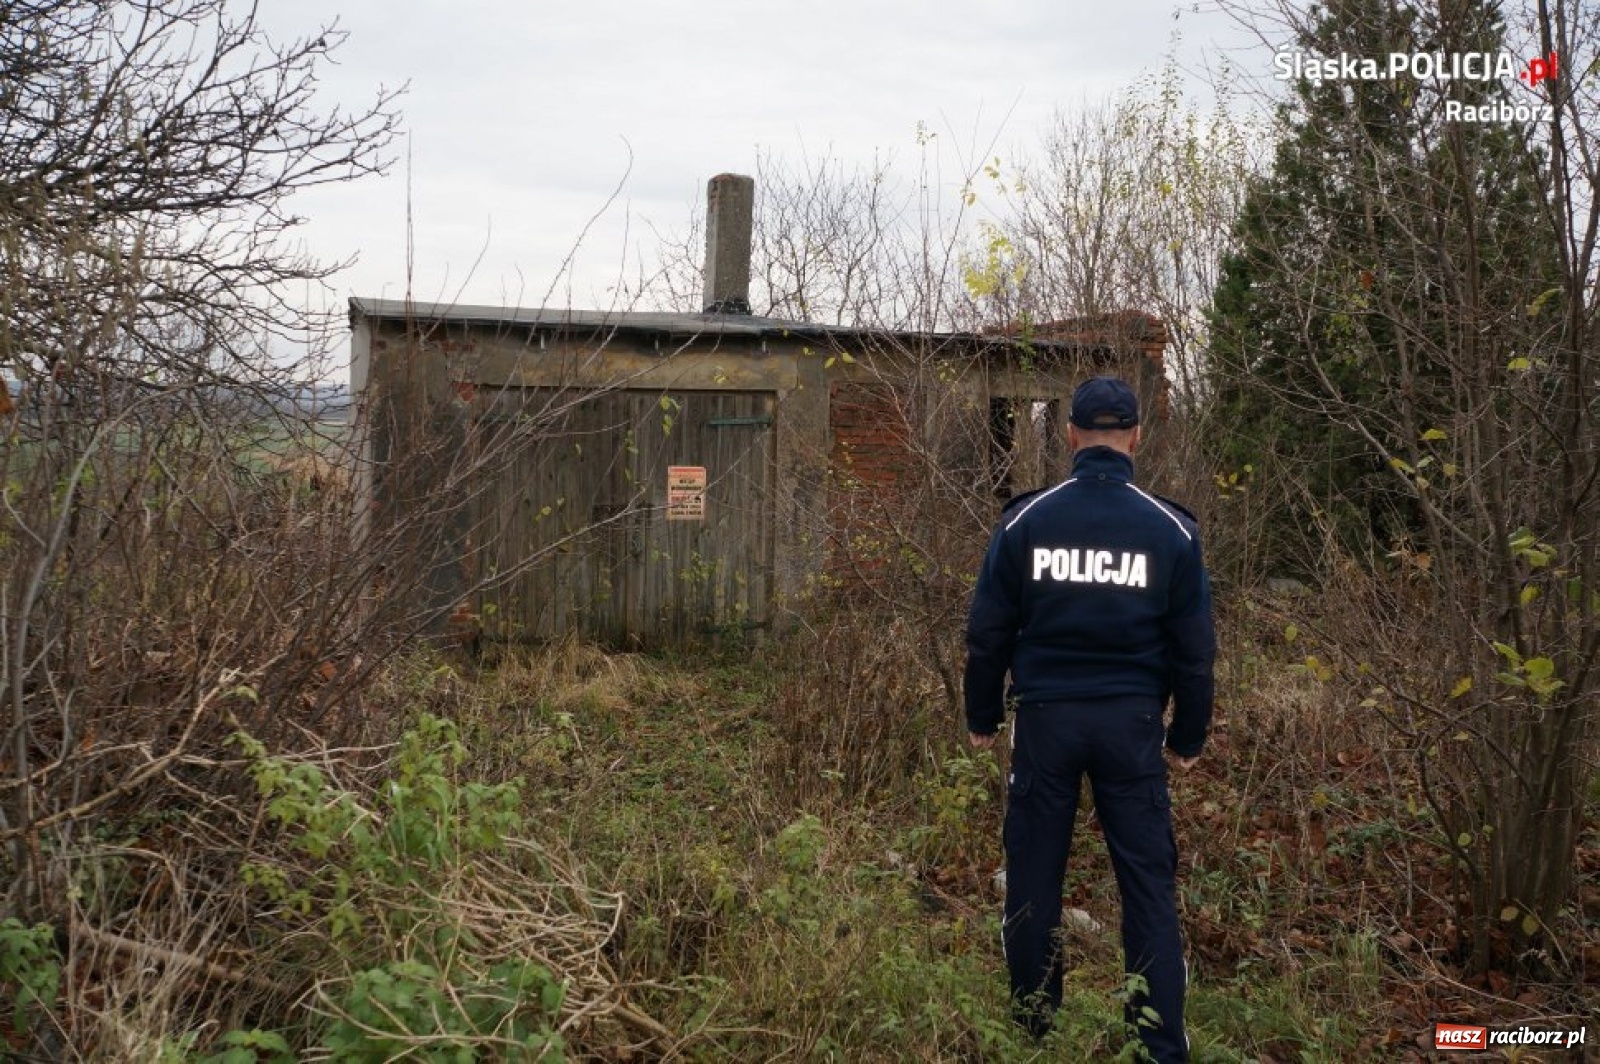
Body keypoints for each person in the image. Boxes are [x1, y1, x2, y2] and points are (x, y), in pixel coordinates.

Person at [964, 375, 1215, 1062]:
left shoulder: (1026, 521)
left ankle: (1033, 1028)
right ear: (1136, 438)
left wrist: (981, 715)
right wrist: (1187, 735)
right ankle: (1158, 1045)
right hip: (1132, 729)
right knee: (1146, 885)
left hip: (1045, 724)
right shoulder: (1169, 529)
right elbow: (1194, 651)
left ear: (1071, 435)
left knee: (1034, 876)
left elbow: (988, 632)